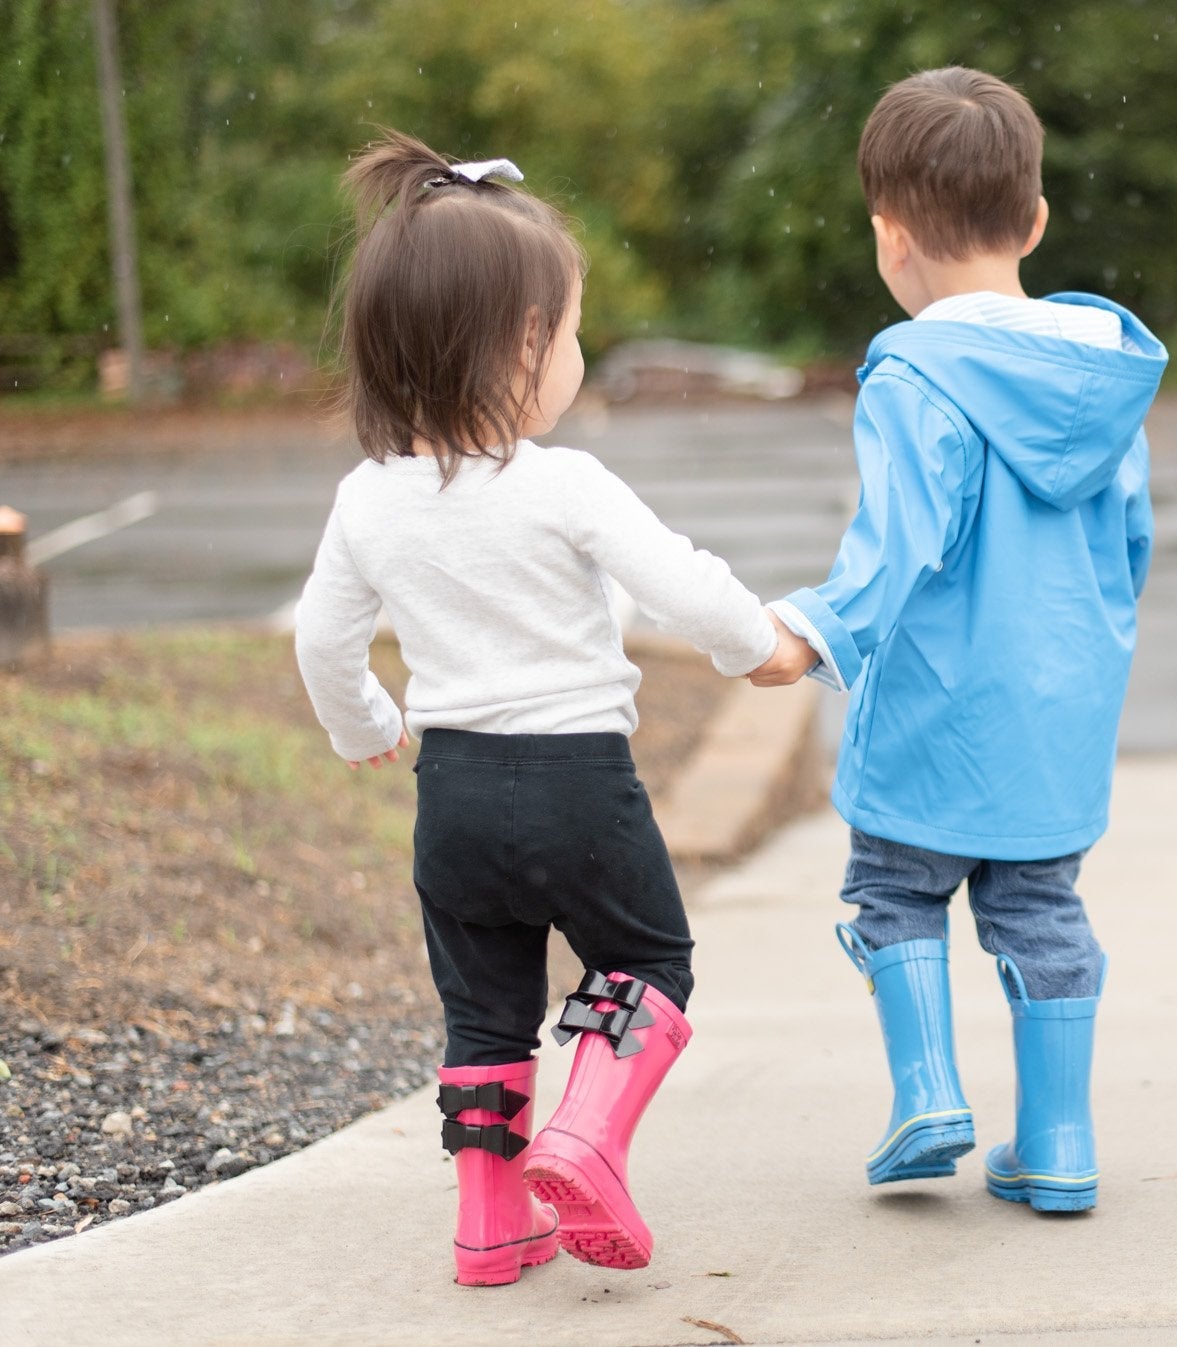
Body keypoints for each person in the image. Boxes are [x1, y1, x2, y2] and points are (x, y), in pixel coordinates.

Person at [294, 130, 815, 1285]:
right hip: (577, 781)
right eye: (572, 331)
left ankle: (489, 1226)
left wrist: (366, 728)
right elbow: (678, 578)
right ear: (526, 345)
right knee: (647, 962)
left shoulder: (368, 499)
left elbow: (322, 638)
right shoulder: (561, 481)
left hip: (456, 795)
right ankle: (587, 1137)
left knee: (486, 1014)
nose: (576, 352)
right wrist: (760, 648)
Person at [762, 67, 1167, 1213]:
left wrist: (815, 629)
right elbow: (1129, 548)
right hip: (1056, 713)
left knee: (894, 891)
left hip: (939, 706)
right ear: (1034, 220)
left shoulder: (916, 376)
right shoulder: (1098, 376)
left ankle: (930, 1093)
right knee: (1039, 908)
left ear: (889, 240)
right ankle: (1059, 1144)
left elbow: (895, 541)